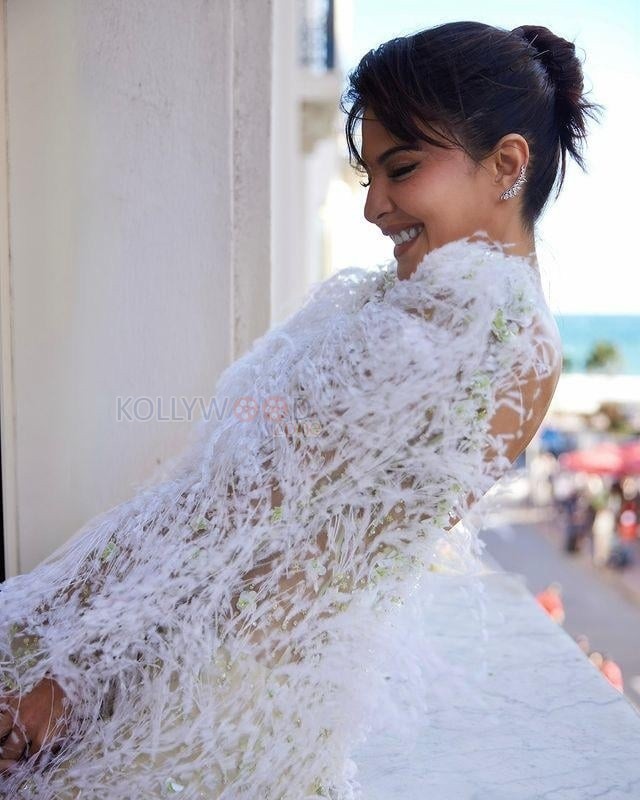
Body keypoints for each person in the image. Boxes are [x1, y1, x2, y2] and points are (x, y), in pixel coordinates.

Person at [0, 20, 600, 799]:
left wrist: (68, 678)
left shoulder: (459, 317)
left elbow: (226, 512)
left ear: (507, 164)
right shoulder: (527, 337)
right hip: (277, 703)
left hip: (189, 691)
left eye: (402, 169)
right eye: (370, 176)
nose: (373, 207)